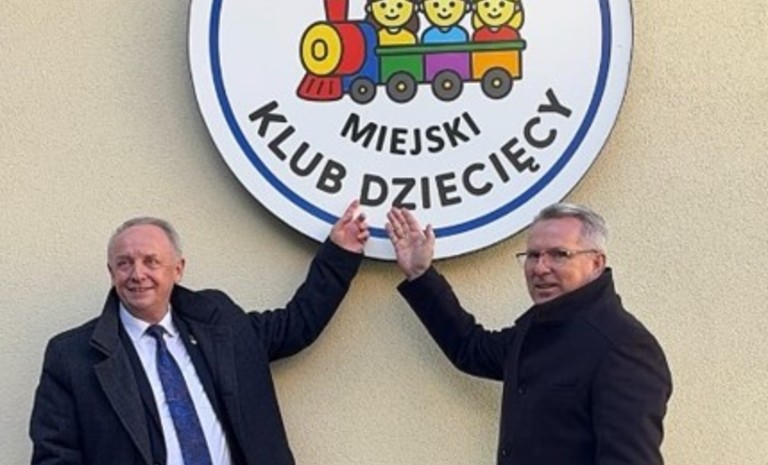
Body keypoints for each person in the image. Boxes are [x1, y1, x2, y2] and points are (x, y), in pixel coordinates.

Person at [29, 200, 369, 465]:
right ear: (111, 272)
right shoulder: (73, 356)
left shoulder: (220, 323)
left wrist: (339, 255)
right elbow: (55, 456)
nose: (137, 274)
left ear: (178, 269)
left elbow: (295, 325)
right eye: (124, 263)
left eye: (151, 261)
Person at [386, 203, 672, 465]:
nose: (540, 268)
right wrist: (420, 273)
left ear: (596, 263)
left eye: (559, 254)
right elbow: (471, 349)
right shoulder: (538, 327)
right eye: (533, 255)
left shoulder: (623, 348)